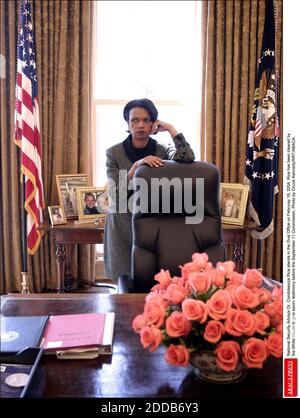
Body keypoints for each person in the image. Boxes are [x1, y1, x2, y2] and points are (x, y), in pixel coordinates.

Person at [104, 98, 195, 281]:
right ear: (128, 123)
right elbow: (116, 193)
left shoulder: (162, 151)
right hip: (122, 224)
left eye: (146, 120)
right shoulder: (113, 153)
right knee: (123, 283)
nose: (140, 125)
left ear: (154, 123)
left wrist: (171, 130)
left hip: (153, 224)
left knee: (154, 284)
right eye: (135, 120)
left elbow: (188, 158)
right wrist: (137, 165)